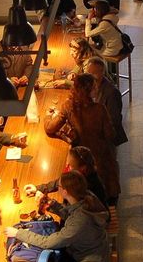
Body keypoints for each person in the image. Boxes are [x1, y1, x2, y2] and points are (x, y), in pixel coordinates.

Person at [3, 171, 110, 262]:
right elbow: (71, 213)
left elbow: (48, 242)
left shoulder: (79, 222)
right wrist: (52, 204)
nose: (57, 188)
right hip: (91, 252)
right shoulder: (86, 196)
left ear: (64, 191)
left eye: (58, 186)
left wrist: (18, 233)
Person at [45, 74, 120, 204]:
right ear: (89, 91)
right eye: (95, 87)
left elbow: (50, 129)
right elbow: (111, 135)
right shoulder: (100, 109)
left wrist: (48, 117)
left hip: (80, 160)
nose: (97, 89)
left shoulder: (68, 106)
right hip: (101, 160)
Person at [25, 145, 109, 208]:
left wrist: (47, 202)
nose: (67, 167)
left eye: (70, 165)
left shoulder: (85, 188)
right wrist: (38, 188)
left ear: (83, 168)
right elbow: (60, 182)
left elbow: (72, 213)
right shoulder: (79, 176)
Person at [85, 56, 128, 146]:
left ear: (101, 74)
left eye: (91, 74)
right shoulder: (92, 86)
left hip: (105, 137)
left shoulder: (111, 93)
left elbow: (113, 121)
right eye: (87, 73)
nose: (87, 77)